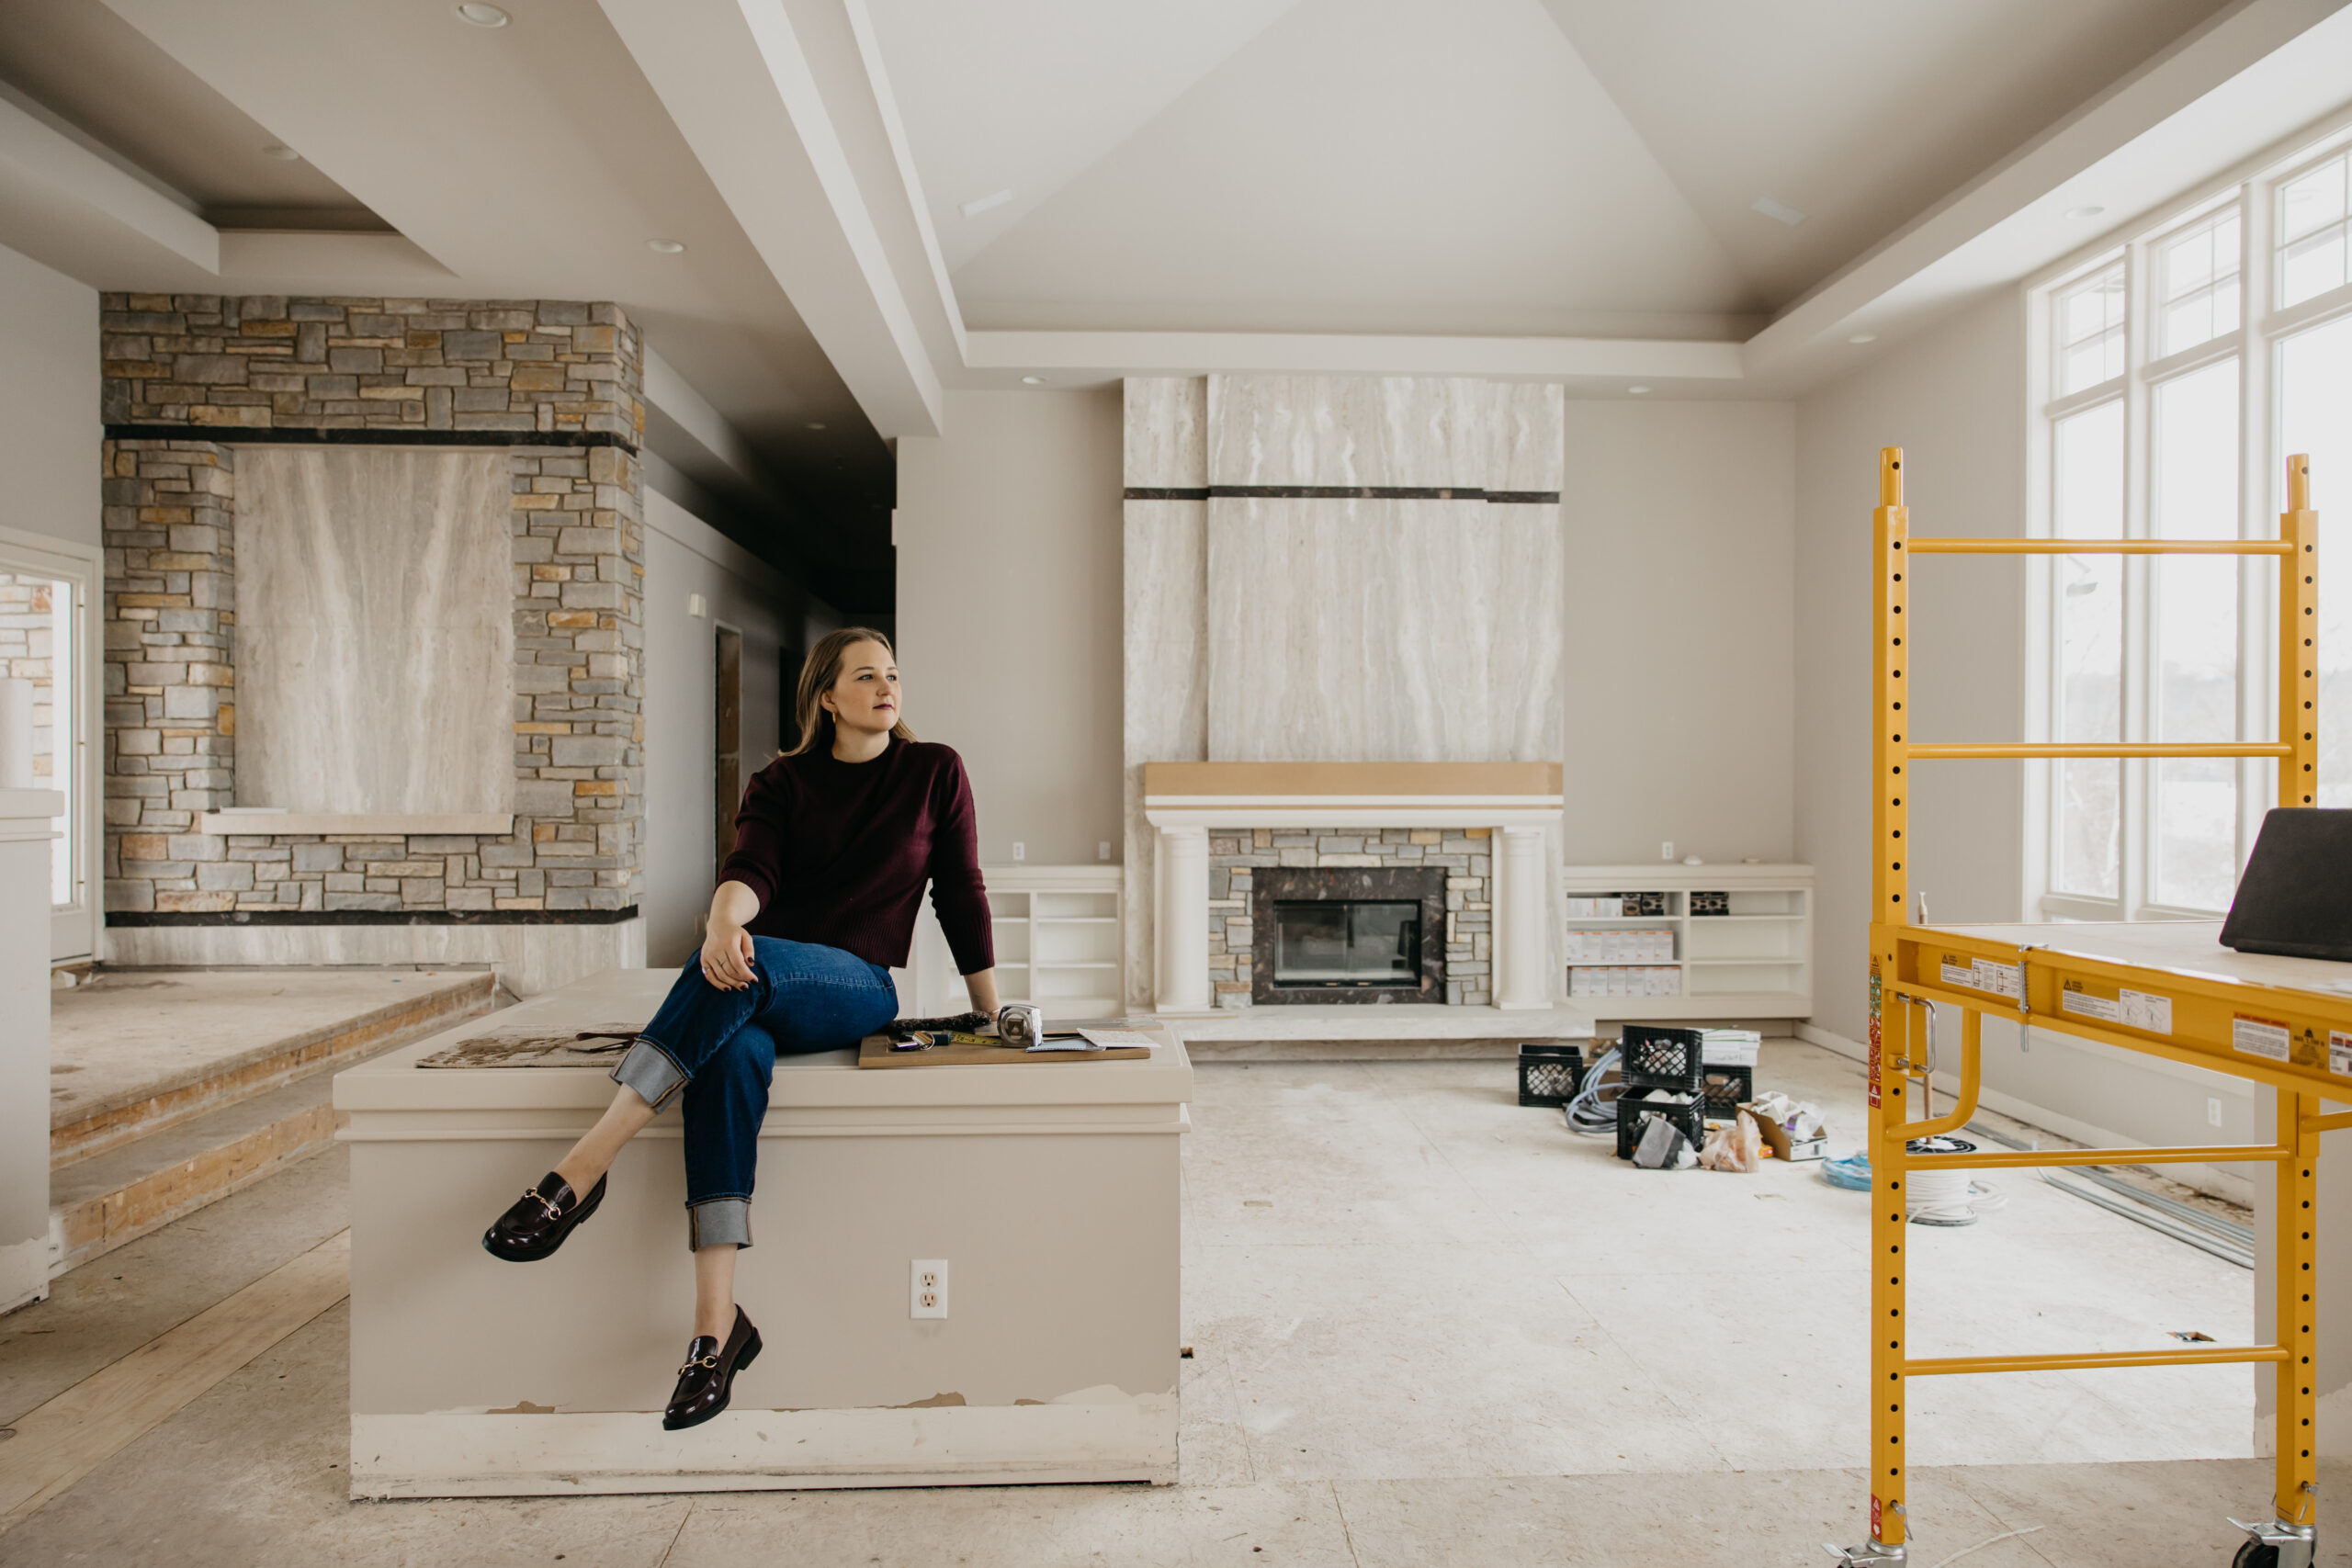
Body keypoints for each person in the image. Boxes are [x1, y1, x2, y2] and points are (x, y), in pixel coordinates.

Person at [479, 627, 999, 1430]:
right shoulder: (781, 781)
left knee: (739, 970)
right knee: (724, 1058)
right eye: (866, 675)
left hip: (855, 984)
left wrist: (990, 1009)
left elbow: (959, 889)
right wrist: (724, 922)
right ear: (826, 695)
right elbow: (750, 870)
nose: (886, 687)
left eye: (892, 673)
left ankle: (585, 1165)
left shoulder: (934, 771)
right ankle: (715, 1329)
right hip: (758, 987)